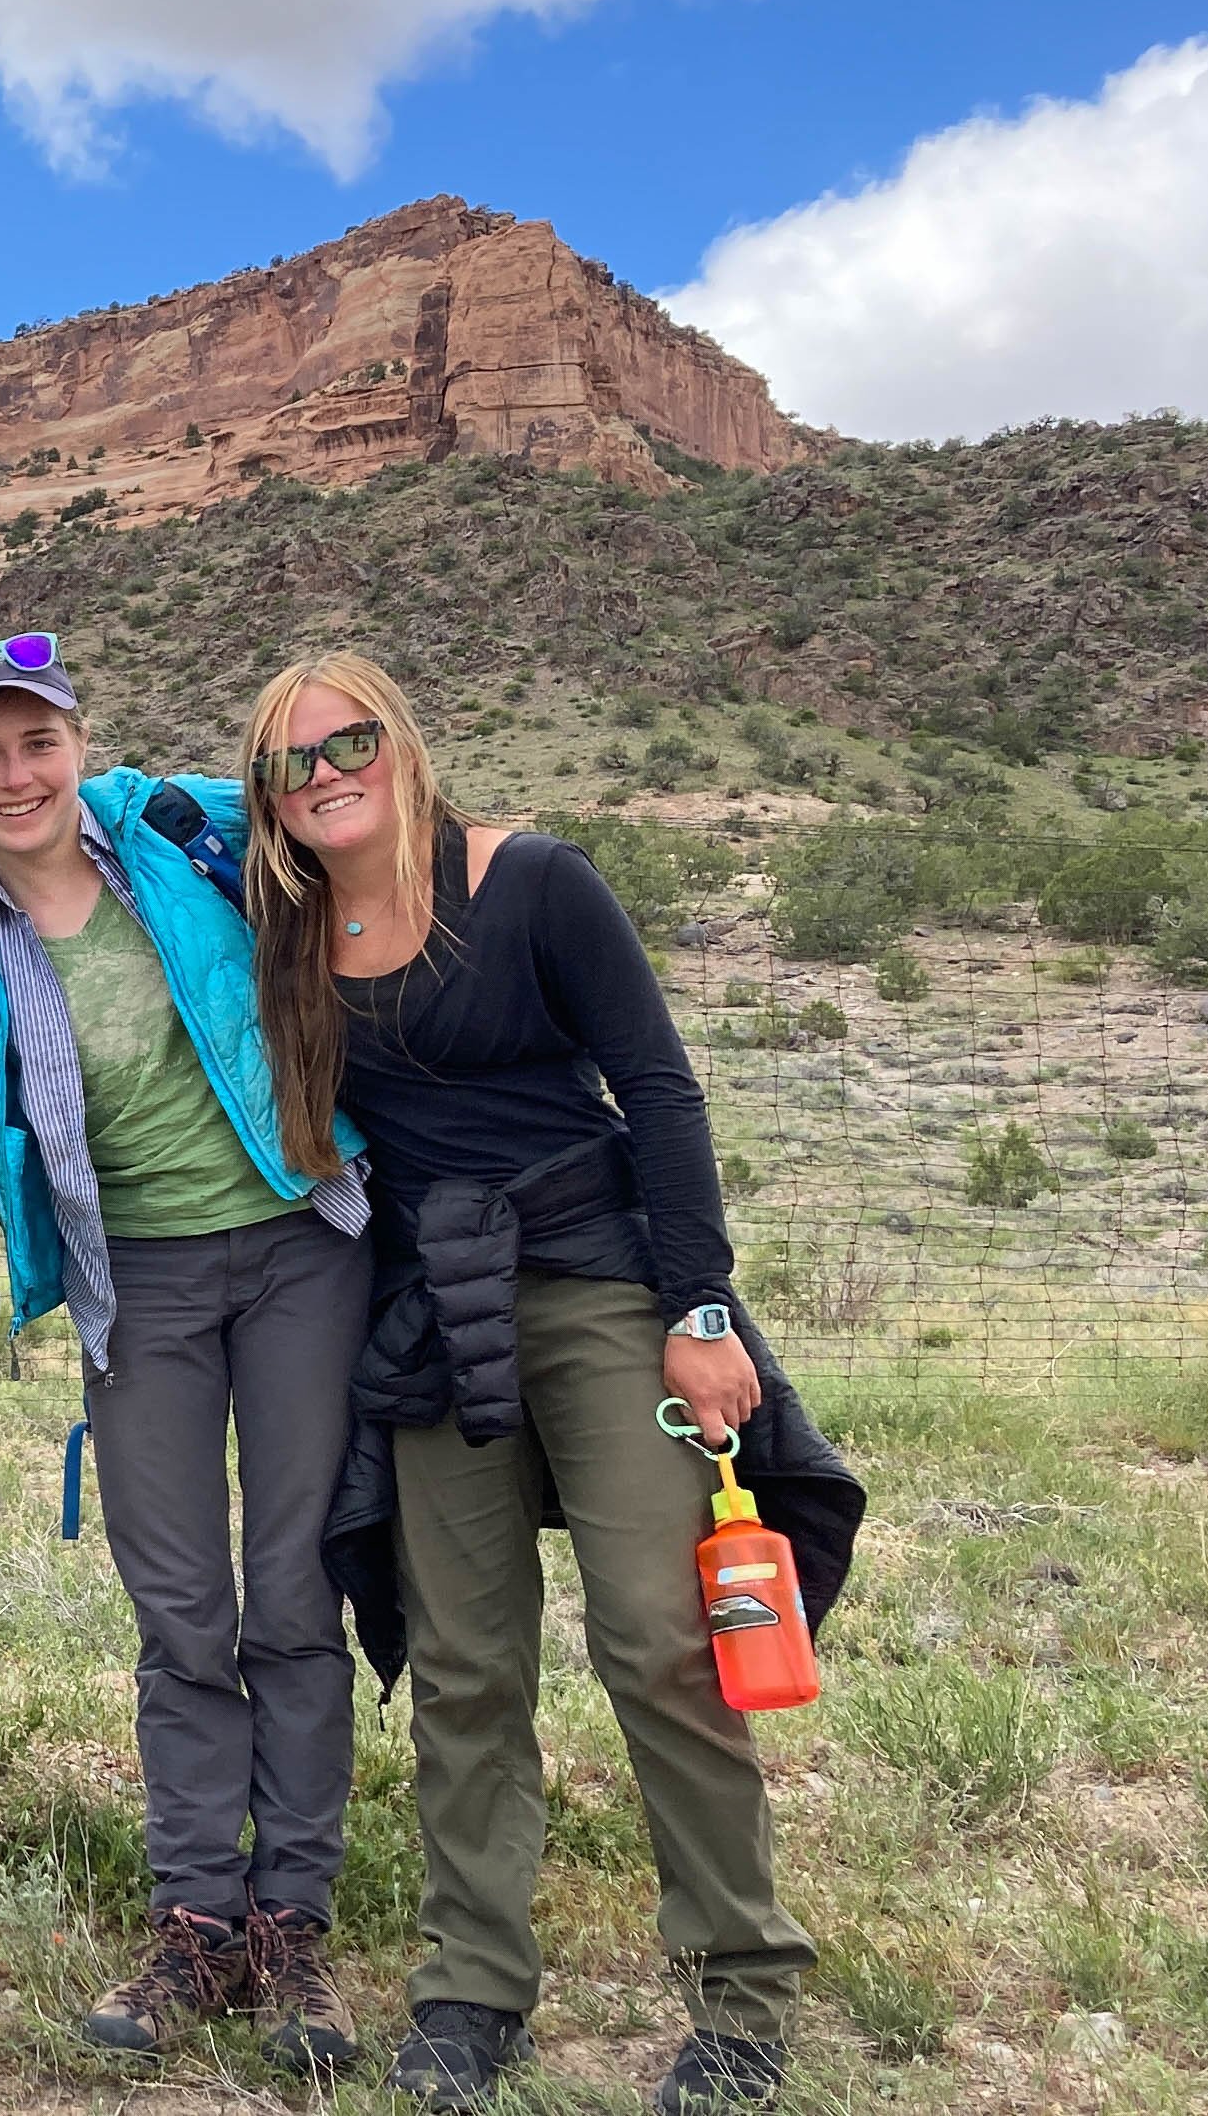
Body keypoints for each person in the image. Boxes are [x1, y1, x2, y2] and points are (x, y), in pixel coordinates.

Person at [241, 653, 845, 2116]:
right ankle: (470, 1986)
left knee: (657, 1636)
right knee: (464, 1663)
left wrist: (701, 1309)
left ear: (405, 736)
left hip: (597, 1287)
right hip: (432, 1319)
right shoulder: (291, 927)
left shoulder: (532, 882)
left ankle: (744, 1990)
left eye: (351, 739)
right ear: (270, 797)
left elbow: (663, 1087)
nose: (327, 773)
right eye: (293, 762)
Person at [0, 633, 375, 2074]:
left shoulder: (184, 826)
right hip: (141, 1284)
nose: (16, 774)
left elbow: (352, 825)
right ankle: (195, 1914)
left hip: (299, 1240)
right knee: (181, 1600)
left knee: (294, 1584)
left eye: (36, 742)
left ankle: (293, 1920)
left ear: (79, 742)